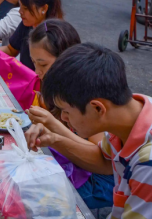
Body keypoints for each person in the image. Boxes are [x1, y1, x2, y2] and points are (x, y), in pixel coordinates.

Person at [25, 43, 152, 219]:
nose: (63, 118)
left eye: (66, 111)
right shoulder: (138, 110)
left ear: (97, 108)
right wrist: (55, 139)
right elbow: (105, 160)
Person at [25, 20, 115, 211]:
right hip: (77, 166)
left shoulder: (89, 93)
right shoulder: (57, 86)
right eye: (34, 62)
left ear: (66, 60)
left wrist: (52, 128)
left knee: (34, 200)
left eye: (43, 64)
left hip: (99, 180)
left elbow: (103, 160)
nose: (36, 71)